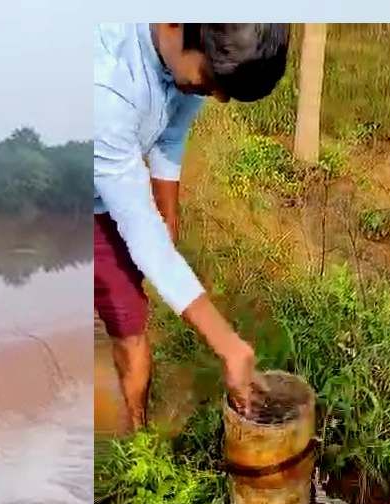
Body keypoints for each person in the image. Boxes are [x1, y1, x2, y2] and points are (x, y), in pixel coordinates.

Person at [94, 23, 290, 430]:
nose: (216, 96)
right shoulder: (106, 82)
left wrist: (169, 217)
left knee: (128, 322)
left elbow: (170, 136)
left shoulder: (193, 45)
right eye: (211, 81)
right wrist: (229, 347)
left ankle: (138, 438)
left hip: (109, 184)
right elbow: (139, 229)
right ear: (175, 26)